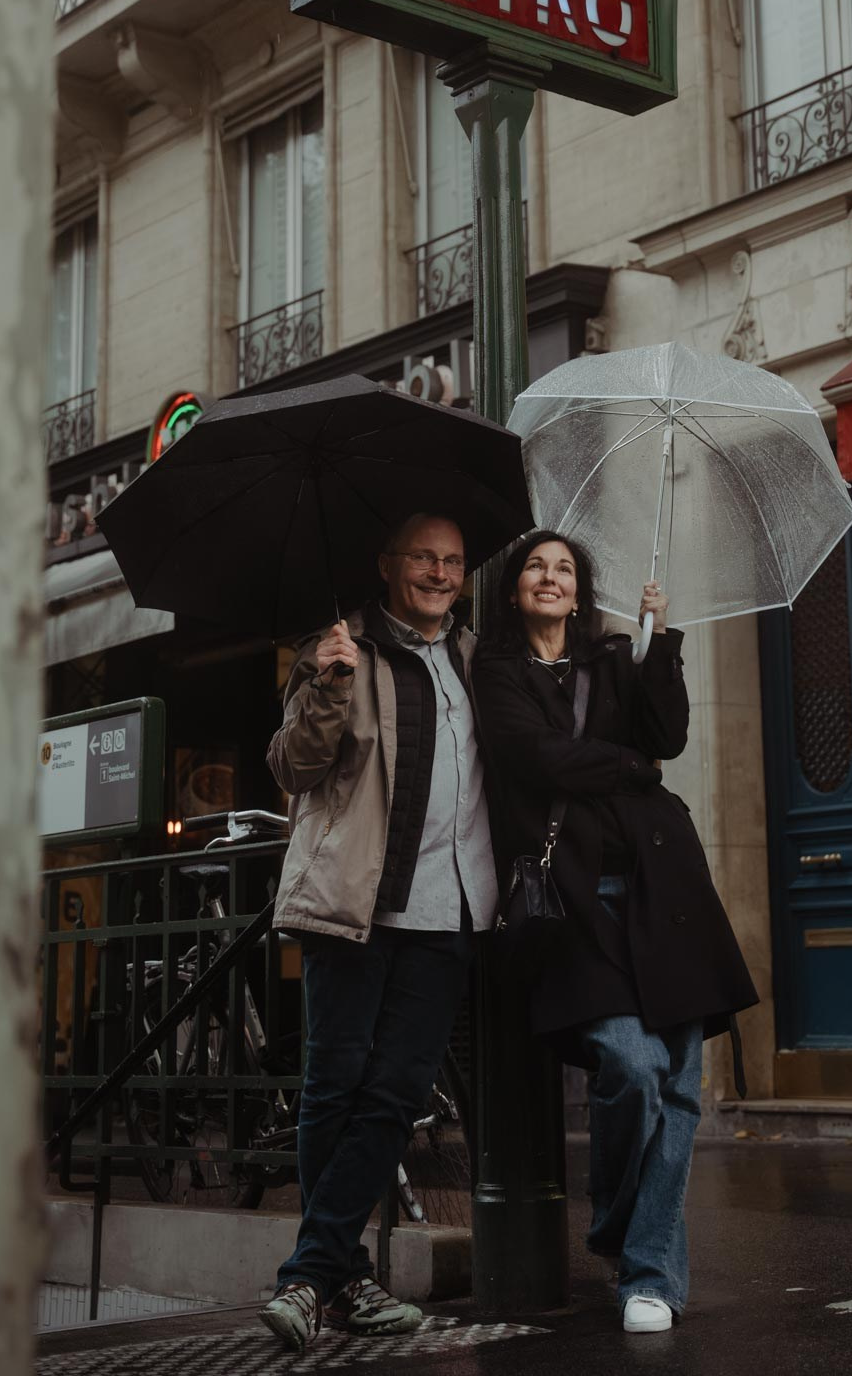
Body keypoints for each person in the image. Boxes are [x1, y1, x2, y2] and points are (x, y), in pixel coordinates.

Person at [472, 530, 757, 1336]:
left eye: (564, 568)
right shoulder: (499, 670)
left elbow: (667, 736)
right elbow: (537, 757)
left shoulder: (612, 659)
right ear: (515, 588)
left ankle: (650, 1275)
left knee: (680, 1087)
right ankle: (617, 1226)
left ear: (580, 589)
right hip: (578, 901)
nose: (550, 577)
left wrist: (660, 641)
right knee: (632, 1065)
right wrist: (628, 768)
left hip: (665, 892)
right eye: (536, 566)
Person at [258, 513, 496, 1352]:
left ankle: (315, 1278)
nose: (440, 573)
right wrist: (327, 685)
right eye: (424, 557)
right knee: (335, 1085)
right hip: (353, 903)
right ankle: (334, 1276)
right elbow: (292, 767)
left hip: (446, 908)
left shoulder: (474, 657)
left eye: (453, 561)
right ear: (388, 564)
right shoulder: (338, 648)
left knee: (395, 1093)